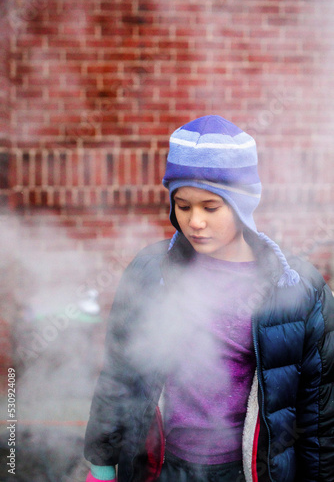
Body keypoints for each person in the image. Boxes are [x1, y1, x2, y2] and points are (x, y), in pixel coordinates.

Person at [83, 115, 334, 482]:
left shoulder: (297, 288)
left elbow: (318, 416)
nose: (194, 221)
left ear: (244, 203)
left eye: (210, 207)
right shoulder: (150, 272)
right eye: (183, 206)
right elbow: (119, 375)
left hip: (247, 473)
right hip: (160, 469)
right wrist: (102, 465)